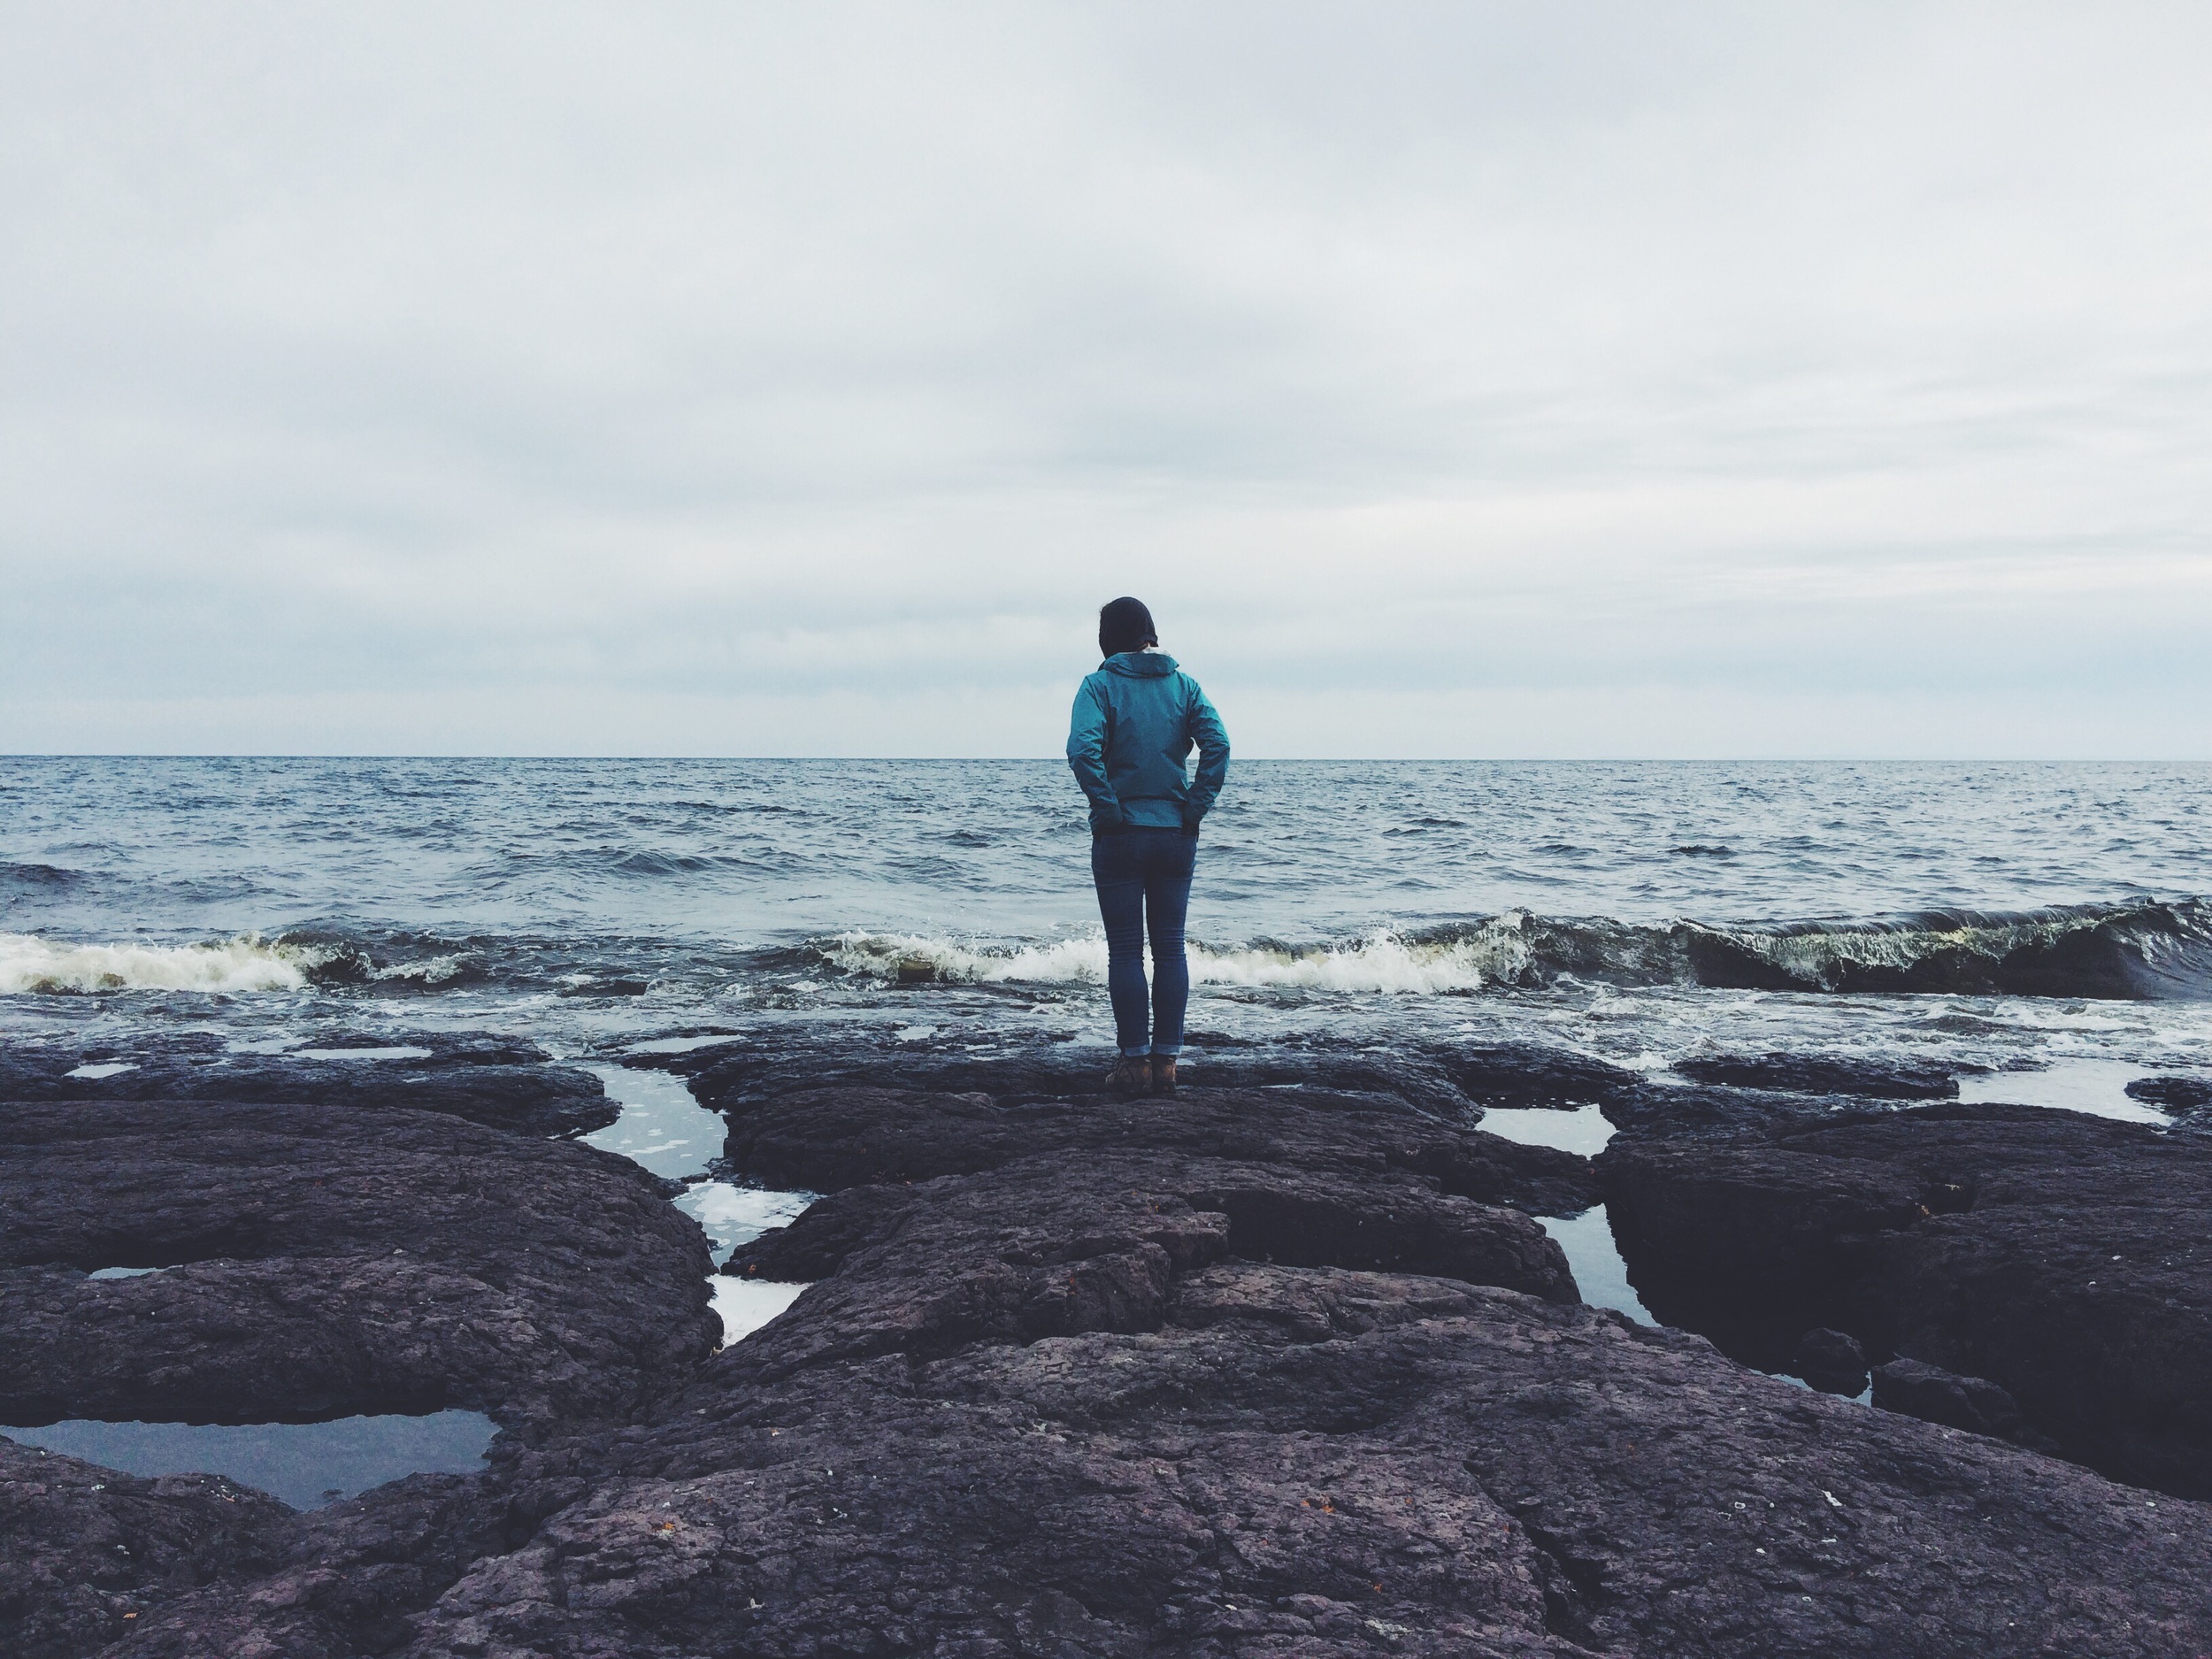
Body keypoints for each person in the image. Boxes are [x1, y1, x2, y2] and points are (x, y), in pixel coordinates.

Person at [1066, 596, 1230, 1096]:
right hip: (1174, 834)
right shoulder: (1184, 685)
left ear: (1107, 636)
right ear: (1150, 632)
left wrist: (1109, 808)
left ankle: (1134, 1062)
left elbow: (1082, 750)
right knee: (1170, 949)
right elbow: (1218, 744)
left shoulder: (1098, 686)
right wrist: (1194, 808)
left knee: (1125, 952)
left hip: (1120, 835)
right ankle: (1167, 1065)